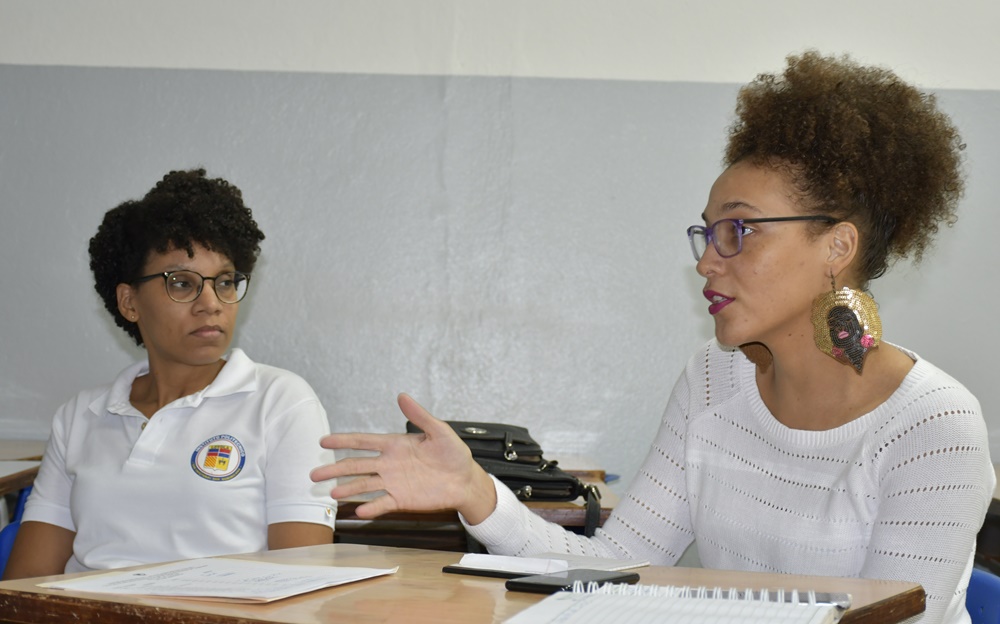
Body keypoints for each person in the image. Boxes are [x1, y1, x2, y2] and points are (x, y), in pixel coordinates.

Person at [310, 52, 995, 624]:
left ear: (836, 246)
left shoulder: (933, 425)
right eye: (708, 233)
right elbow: (615, 567)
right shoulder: (711, 381)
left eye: (739, 230)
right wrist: (476, 492)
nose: (707, 261)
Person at [3, 169, 335, 580]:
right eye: (181, 283)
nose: (211, 303)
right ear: (129, 302)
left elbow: (302, 580)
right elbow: (26, 584)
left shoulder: (281, 402)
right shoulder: (81, 416)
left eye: (225, 282)